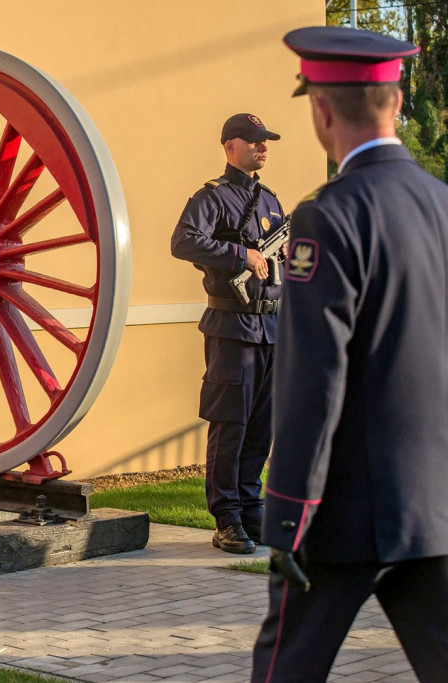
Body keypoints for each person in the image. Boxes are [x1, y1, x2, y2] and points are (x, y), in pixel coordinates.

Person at [252, 26, 448, 682]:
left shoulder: (328, 217)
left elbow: (314, 379)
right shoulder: (442, 204)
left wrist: (286, 514)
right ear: (396, 103)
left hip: (342, 515)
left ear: (321, 110)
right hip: (433, 507)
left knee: (284, 672)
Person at [171, 113, 285, 554]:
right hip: (232, 327)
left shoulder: (272, 202)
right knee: (230, 424)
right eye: (255, 141)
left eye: (266, 142)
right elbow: (182, 242)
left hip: (271, 327)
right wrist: (241, 255)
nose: (263, 148)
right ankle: (227, 518)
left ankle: (252, 510)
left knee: (261, 427)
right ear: (230, 146)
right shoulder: (213, 198)